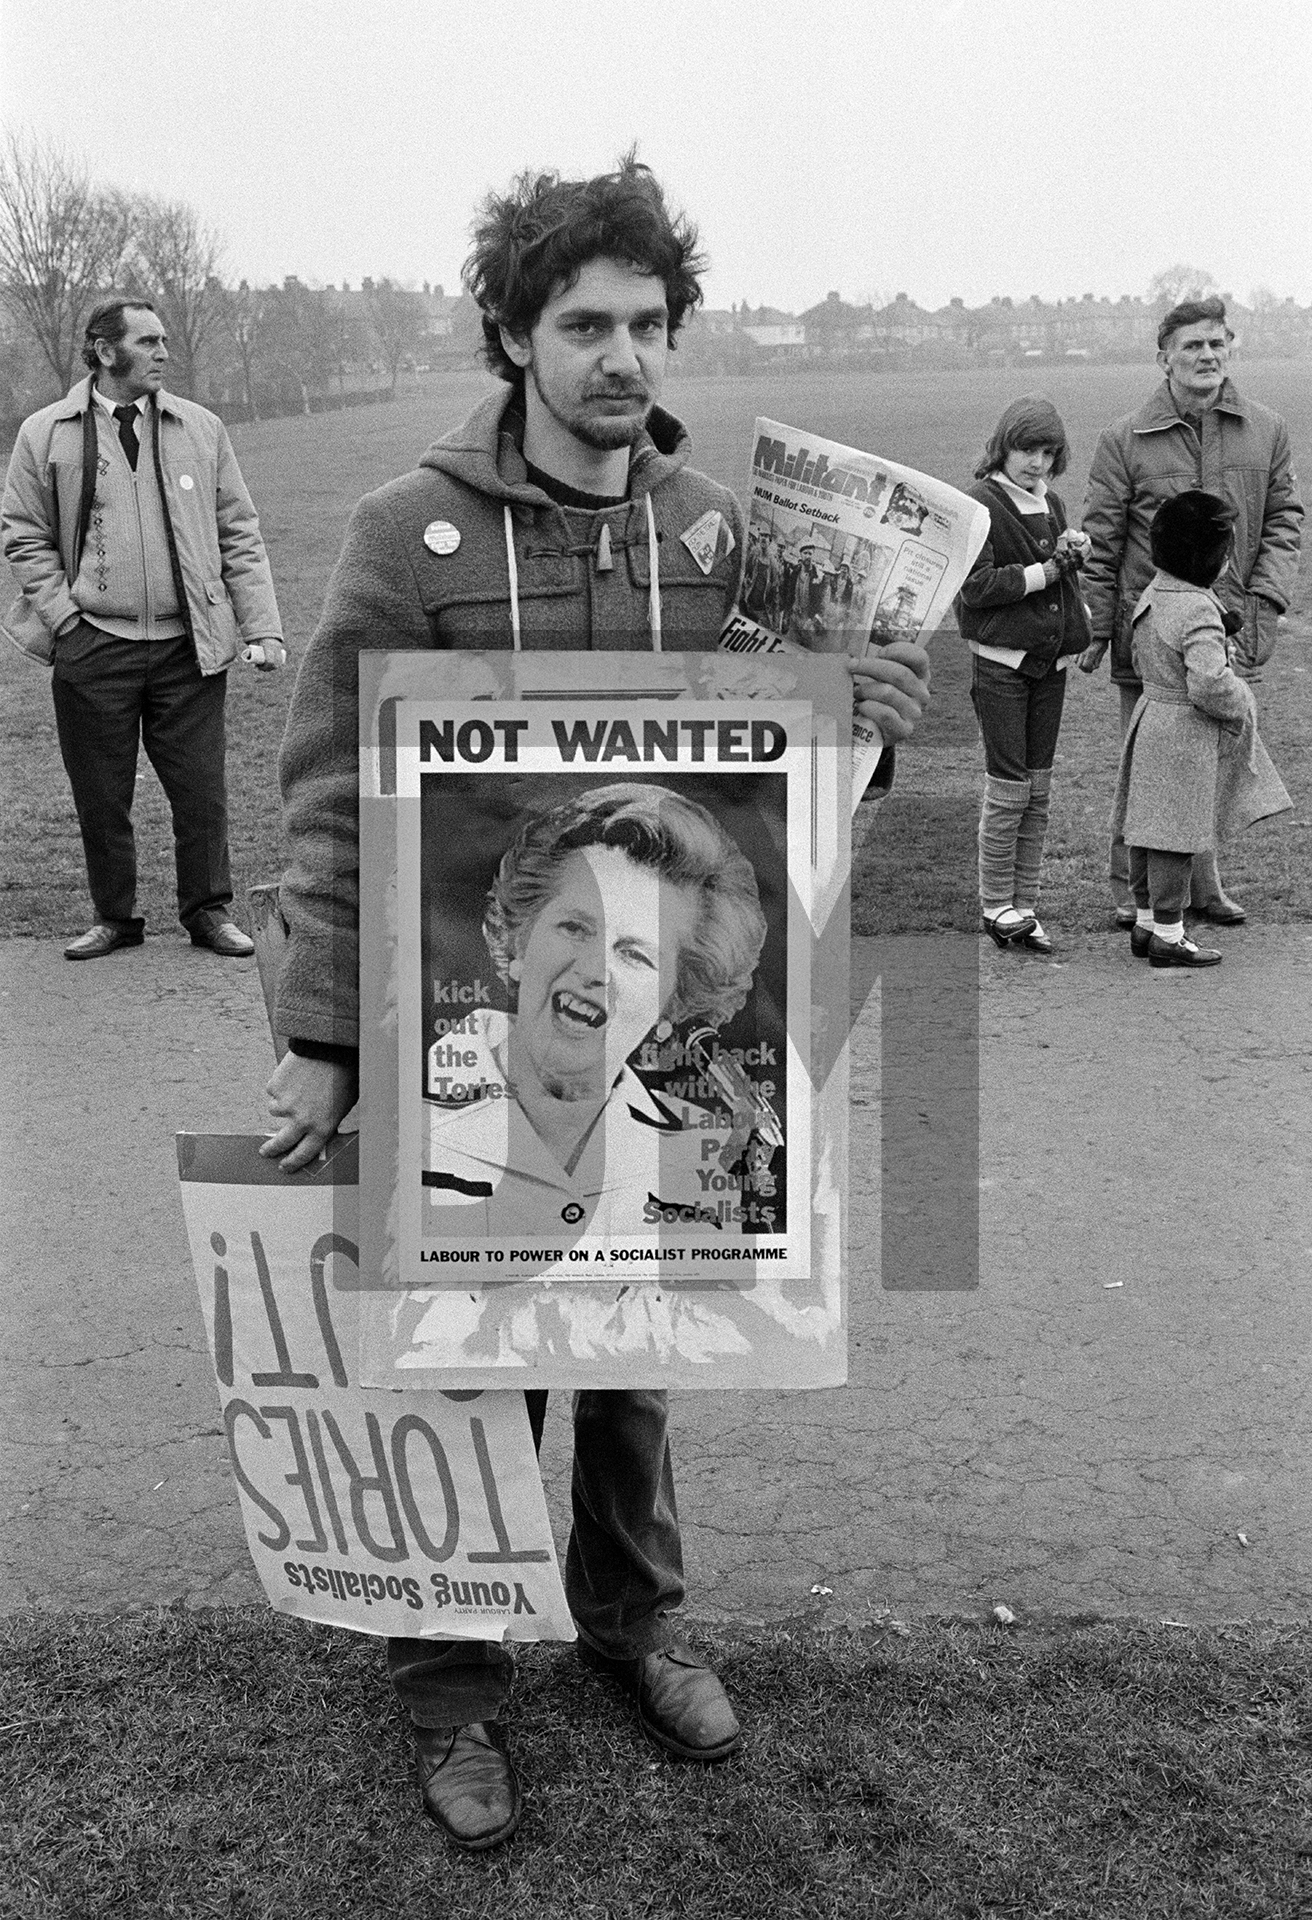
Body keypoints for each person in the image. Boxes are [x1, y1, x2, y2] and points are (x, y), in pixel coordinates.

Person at [258, 155, 930, 1852]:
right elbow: (334, 795)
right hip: (464, 1034)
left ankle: (631, 1624)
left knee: (634, 1356)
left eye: (645, 323)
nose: (621, 356)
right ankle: (451, 1687)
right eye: (582, 323)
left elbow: (788, 804)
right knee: (466, 1358)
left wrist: (866, 716)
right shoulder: (403, 532)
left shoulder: (722, 538)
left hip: (657, 1040)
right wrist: (324, 1035)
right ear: (512, 330)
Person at [1, 297, 285, 959]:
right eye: (149, 341)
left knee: (201, 791)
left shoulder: (202, 428)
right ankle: (116, 918)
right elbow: (23, 535)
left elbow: (239, 533)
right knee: (101, 795)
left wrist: (261, 626)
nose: (164, 352)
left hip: (188, 647)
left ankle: (208, 913)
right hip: (93, 643)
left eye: (163, 341)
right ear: (105, 351)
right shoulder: (46, 432)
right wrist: (67, 622)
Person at [425, 784, 774, 1239]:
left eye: (634, 954)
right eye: (575, 927)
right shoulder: (397, 1101)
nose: (595, 970)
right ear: (519, 943)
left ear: (671, 1004)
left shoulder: (709, 1155)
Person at [1079, 295, 1302, 928]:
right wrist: (1097, 628)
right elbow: (1103, 540)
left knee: (1209, 765)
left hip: (1231, 624)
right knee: (1150, 772)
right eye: (1191, 346)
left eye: (1216, 343)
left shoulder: (1268, 428)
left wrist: (1264, 598)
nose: (1207, 356)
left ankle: (1203, 887)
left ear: (1230, 347)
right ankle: (1132, 890)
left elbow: (1285, 520)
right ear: (1164, 359)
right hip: (1150, 635)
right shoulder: (1124, 438)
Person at [1111, 492, 1290, 969]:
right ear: (1207, 556)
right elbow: (1209, 683)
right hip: (1183, 735)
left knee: (1146, 831)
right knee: (1176, 834)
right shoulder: (1196, 609)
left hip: (1149, 719)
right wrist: (1242, 700)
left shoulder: (1155, 591)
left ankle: (1147, 923)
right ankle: (1170, 934)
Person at [957, 397, 1092, 953]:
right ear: (1003, 446)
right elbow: (978, 588)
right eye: (1026, 450)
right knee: (1009, 788)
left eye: (1047, 452)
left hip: (1050, 664)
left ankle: (1026, 905)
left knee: (1038, 789)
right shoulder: (980, 505)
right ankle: (995, 905)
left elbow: (1059, 580)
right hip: (1002, 667)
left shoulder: (1051, 501)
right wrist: (1048, 570)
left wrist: (1072, 559)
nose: (1037, 462)